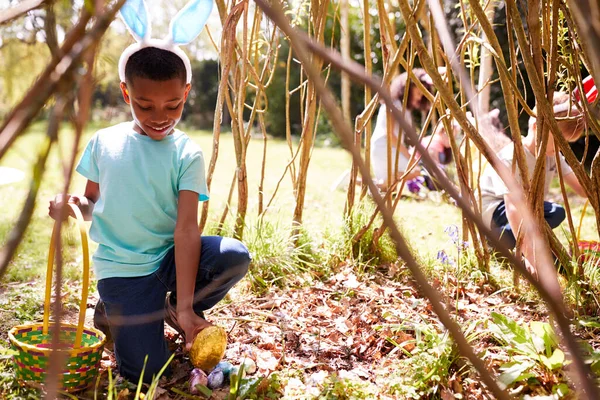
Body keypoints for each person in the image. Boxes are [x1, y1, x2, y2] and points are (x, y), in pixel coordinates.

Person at [48, 0, 251, 383]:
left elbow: (187, 230)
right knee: (147, 373)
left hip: (167, 262)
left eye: (172, 105)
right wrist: (75, 205)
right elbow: (92, 202)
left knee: (234, 255)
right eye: (145, 105)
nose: (160, 116)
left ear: (187, 92)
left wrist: (189, 307)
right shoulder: (103, 143)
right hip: (123, 273)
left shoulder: (186, 152)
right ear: (126, 94)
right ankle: (111, 312)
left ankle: (173, 309)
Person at [480, 92, 587, 273]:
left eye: (566, 143)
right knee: (533, 219)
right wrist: (529, 257)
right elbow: (513, 208)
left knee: (555, 212)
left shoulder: (552, 154)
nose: (562, 148)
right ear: (538, 127)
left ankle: (517, 242)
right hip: (496, 209)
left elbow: (582, 190)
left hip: (529, 208)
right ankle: (497, 240)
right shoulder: (512, 157)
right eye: (559, 141)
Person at [370, 69, 434, 189]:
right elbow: (390, 135)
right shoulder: (393, 104)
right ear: (409, 88)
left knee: (389, 184)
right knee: (414, 170)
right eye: (418, 93)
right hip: (384, 147)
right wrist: (409, 156)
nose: (420, 98)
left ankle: (354, 181)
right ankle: (371, 187)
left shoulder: (403, 108)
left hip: (388, 147)